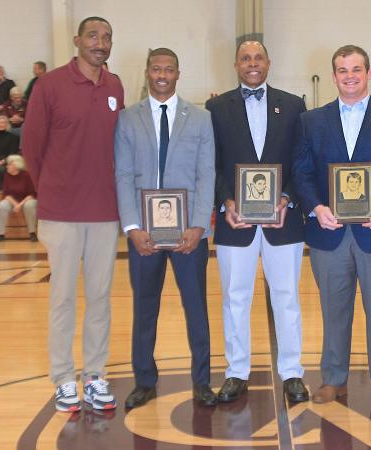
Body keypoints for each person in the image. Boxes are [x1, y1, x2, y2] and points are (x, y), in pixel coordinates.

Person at [293, 45, 371, 405]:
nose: (350, 76)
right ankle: (334, 378)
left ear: (368, 73)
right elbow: (301, 172)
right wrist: (316, 207)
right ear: (334, 76)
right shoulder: (311, 121)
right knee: (333, 311)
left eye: (356, 69)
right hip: (329, 232)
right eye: (343, 70)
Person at [22, 16, 124, 413]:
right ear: (78, 40)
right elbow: (32, 148)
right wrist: (52, 190)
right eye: (93, 36)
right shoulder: (49, 85)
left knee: (100, 298)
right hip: (61, 213)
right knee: (62, 298)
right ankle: (64, 378)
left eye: (107, 37)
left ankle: (95, 376)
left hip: (104, 212)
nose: (101, 43)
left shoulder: (115, 86)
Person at [206, 40, 309, 404]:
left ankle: (292, 372)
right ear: (236, 64)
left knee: (287, 297)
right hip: (235, 222)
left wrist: (287, 198)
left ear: (269, 62)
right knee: (235, 299)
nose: (252, 63)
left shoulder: (294, 105)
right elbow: (212, 163)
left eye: (258, 57)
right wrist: (226, 201)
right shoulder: (216, 108)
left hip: (284, 220)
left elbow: (302, 161)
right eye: (245, 58)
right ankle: (236, 371)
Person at [115, 47, 216, 408]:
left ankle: (202, 381)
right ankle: (144, 380)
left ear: (178, 74)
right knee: (144, 307)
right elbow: (123, 174)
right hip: (144, 233)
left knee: (196, 307)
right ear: (147, 72)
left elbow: (206, 174)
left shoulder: (201, 119)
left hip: (189, 232)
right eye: (156, 69)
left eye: (169, 69)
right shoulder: (128, 119)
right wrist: (132, 227)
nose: (162, 75)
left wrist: (199, 225)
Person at [0, 155, 37, 242]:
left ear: (16, 165)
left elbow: (32, 194)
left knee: (29, 205)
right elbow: (6, 194)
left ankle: (32, 233)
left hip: (27, 200)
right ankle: (1, 234)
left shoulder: (26, 175)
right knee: (1, 206)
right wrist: (15, 204)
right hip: (12, 200)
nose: (7, 166)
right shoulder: (6, 175)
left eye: (9, 164)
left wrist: (20, 205)